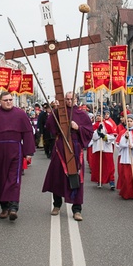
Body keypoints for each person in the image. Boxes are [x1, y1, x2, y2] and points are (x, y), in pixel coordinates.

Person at [0, 91, 35, 221]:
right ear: (0, 101)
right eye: (5, 100)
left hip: (15, 150)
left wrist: (28, 152)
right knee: (0, 179)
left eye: (10, 99)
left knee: (13, 179)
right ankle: (4, 207)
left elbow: (27, 133)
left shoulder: (20, 114)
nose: (8, 102)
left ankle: (13, 207)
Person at [42, 92, 94, 222]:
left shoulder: (82, 114)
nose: (69, 101)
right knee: (57, 176)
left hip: (75, 147)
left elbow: (89, 132)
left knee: (76, 177)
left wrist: (78, 127)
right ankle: (57, 205)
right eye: (67, 99)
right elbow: (49, 126)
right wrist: (55, 110)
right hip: (60, 147)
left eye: (72, 99)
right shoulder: (59, 112)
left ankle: (77, 209)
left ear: (76, 99)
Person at [115, 113, 133, 200]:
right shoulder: (122, 132)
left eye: (130, 121)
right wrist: (125, 138)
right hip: (126, 158)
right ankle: (127, 193)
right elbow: (118, 145)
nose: (129, 122)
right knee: (126, 176)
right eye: (127, 121)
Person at [90, 111, 117, 190]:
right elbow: (93, 137)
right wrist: (98, 132)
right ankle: (99, 180)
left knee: (109, 165)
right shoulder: (94, 126)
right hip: (98, 148)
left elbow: (113, 135)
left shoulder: (108, 124)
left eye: (100, 115)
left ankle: (111, 180)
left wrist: (105, 136)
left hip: (107, 148)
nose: (98, 117)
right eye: (97, 116)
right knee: (98, 165)